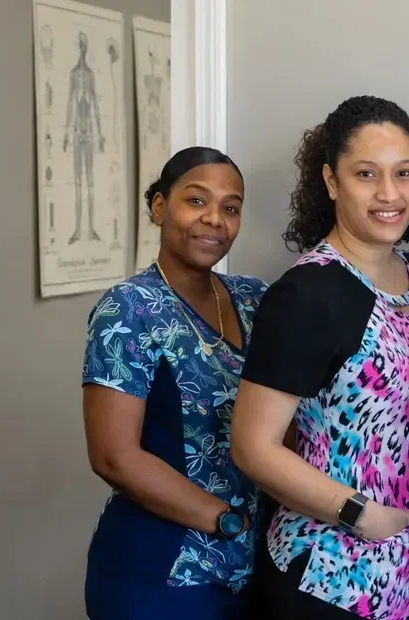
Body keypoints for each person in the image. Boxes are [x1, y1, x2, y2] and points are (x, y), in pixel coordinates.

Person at [230, 95, 409, 620]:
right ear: (332, 182)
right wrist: (360, 513)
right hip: (335, 578)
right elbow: (252, 447)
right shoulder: (305, 296)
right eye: (366, 174)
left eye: (403, 173)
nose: (390, 193)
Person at [80, 146, 267, 619]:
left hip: (249, 570)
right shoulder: (129, 308)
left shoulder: (254, 299)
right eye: (196, 200)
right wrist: (226, 522)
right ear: (160, 206)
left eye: (230, 207)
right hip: (162, 572)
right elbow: (113, 456)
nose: (215, 219)